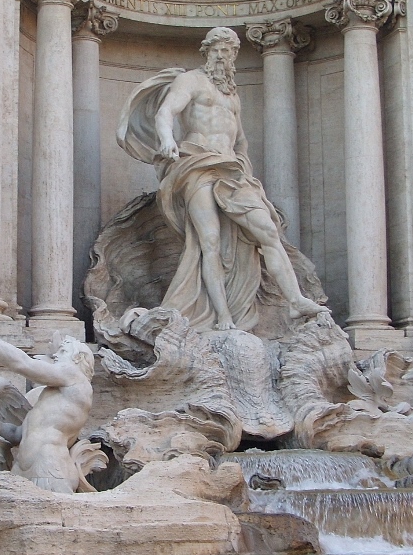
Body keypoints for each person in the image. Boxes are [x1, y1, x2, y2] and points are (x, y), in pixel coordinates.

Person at [117, 27, 327, 333]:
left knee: (268, 231)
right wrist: (167, 140)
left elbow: (240, 140)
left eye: (228, 51)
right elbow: (166, 112)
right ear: (206, 52)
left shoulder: (232, 95)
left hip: (231, 170)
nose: (221, 55)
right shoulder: (190, 80)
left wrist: (245, 168)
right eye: (216, 49)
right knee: (209, 241)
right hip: (197, 164)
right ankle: (222, 315)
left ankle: (295, 301)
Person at [0, 304, 95, 494]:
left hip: (50, 469)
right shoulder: (52, 394)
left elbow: (22, 363)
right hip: (24, 468)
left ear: (78, 358)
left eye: (62, 352)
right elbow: (19, 435)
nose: (55, 357)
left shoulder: (75, 377)